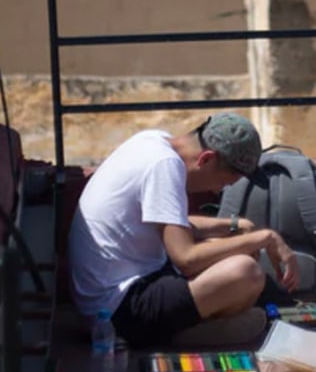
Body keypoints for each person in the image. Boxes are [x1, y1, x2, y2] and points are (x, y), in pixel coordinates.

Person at [68, 112, 299, 347]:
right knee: (246, 271)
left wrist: (234, 226)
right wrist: (264, 237)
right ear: (206, 159)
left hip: (122, 289)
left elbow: (171, 223)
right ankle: (183, 334)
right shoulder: (164, 166)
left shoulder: (153, 141)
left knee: (235, 250)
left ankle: (197, 324)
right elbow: (186, 258)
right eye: (224, 182)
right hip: (114, 310)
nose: (218, 191)